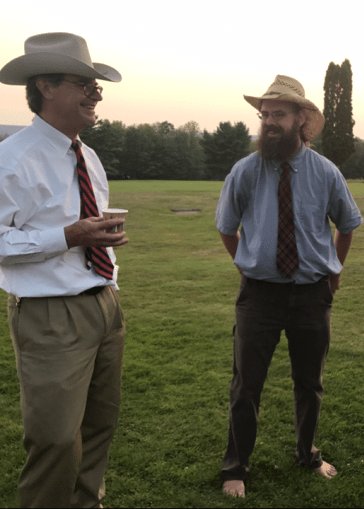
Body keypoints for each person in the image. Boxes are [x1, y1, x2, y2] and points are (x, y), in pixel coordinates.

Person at [215, 75, 362, 498]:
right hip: (259, 296)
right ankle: (235, 468)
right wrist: (246, 263)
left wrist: (335, 271)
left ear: (301, 118)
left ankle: (307, 454)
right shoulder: (245, 171)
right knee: (246, 385)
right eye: (264, 115)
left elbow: (347, 225)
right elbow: (226, 227)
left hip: (312, 294)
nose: (268, 122)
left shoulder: (325, 172)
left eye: (278, 114)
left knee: (310, 383)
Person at [0, 33, 128, 507]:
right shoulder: (11, 159)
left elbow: (84, 227)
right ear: (46, 87)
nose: (97, 95)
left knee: (98, 427)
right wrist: (69, 236)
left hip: (104, 304)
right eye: (85, 84)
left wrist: (101, 248)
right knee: (54, 440)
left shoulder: (87, 156)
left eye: (97, 86)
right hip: (49, 315)